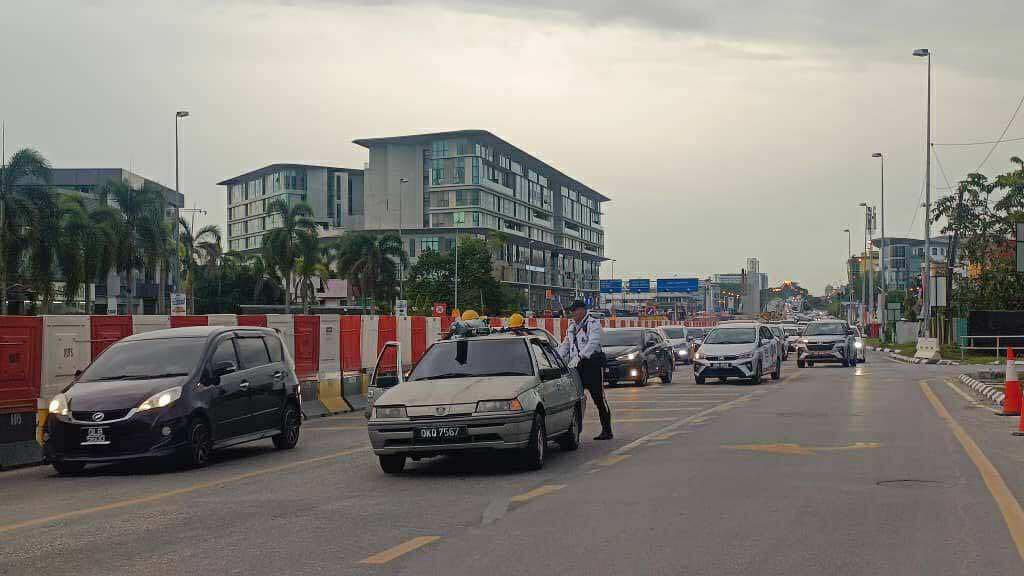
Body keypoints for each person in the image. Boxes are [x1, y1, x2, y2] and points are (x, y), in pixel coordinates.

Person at [558, 300, 613, 440]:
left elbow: (593, 343)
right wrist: (556, 358)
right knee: (575, 399)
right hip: (577, 366)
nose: (572, 313)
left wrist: (580, 357)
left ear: (582, 310)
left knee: (598, 398)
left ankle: (607, 430)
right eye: (572, 311)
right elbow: (566, 344)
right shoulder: (572, 327)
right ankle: (573, 431)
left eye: (575, 310)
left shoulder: (593, 324)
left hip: (592, 364)